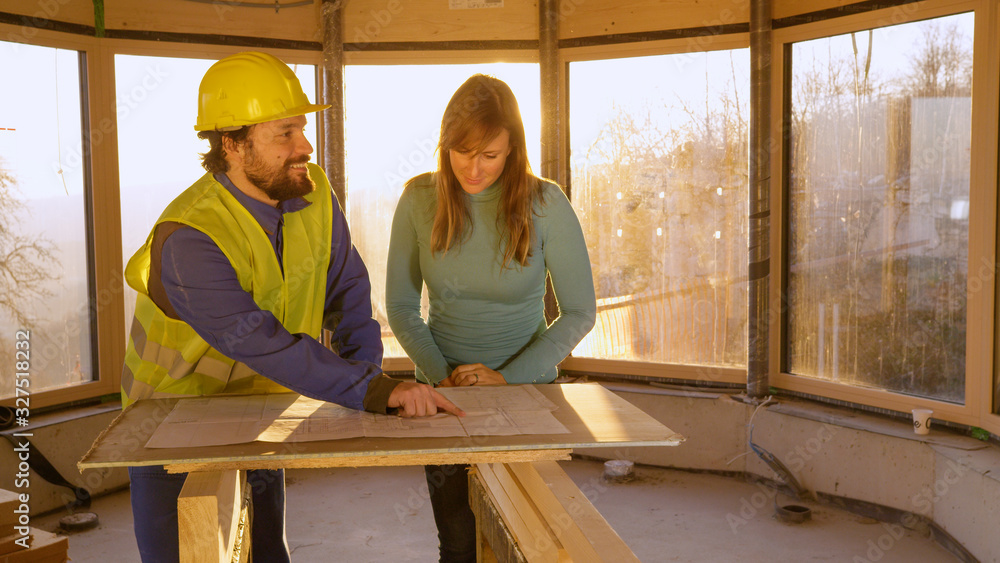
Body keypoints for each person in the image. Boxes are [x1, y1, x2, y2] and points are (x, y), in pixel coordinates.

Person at [120, 51, 462, 563]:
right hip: (169, 419)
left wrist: (366, 380)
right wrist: (371, 391)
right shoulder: (190, 236)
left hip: (264, 400)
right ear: (232, 144)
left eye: (301, 128)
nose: (304, 145)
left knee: (266, 553)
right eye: (284, 133)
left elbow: (348, 293)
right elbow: (261, 342)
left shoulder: (313, 191)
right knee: (182, 555)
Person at [385, 74, 597, 563]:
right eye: (462, 152)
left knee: (526, 541)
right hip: (439, 396)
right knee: (458, 543)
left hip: (526, 394)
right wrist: (442, 380)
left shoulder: (546, 203)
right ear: (444, 144)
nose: (474, 169)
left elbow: (580, 312)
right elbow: (399, 305)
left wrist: (506, 378)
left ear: (513, 150)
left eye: (490, 155)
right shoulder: (419, 198)